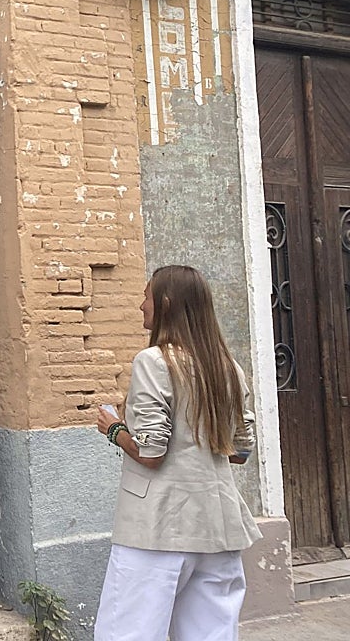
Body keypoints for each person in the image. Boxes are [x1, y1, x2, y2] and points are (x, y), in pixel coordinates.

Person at [94, 265, 262, 641]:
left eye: (146, 296)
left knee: (128, 633)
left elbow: (152, 452)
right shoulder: (227, 367)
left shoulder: (154, 362)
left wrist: (114, 429)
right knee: (212, 634)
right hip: (218, 528)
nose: (141, 305)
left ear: (166, 303)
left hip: (158, 528)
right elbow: (240, 452)